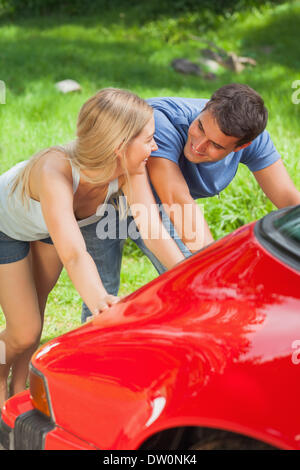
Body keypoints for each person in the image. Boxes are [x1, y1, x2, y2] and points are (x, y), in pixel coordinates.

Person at [0, 88, 186, 409]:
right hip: (5, 227)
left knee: (37, 314)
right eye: (148, 140)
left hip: (47, 228)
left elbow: (152, 229)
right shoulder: (54, 170)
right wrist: (101, 303)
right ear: (118, 146)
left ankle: (18, 388)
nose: (155, 147)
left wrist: (189, 275)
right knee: (24, 331)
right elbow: (74, 252)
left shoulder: (131, 168)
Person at [80, 83, 300, 322]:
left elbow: (288, 200)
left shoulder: (252, 137)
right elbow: (176, 199)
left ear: (242, 146)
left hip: (155, 209)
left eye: (216, 145)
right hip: (105, 202)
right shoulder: (160, 121)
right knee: (103, 290)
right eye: (200, 127)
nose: (199, 144)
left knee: (192, 282)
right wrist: (216, 268)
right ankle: (81, 353)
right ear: (205, 107)